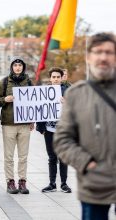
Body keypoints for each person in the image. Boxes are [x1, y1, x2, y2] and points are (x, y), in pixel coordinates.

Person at [53, 32, 116, 220]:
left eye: (109, 52)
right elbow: (62, 139)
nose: (103, 57)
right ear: (88, 57)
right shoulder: (76, 94)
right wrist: (87, 163)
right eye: (98, 52)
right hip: (93, 183)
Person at [0, 56, 34, 194]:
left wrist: (32, 120)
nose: (18, 67)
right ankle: (10, 181)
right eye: (15, 65)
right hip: (9, 123)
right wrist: (5, 99)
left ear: (23, 67)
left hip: (24, 124)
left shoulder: (29, 82)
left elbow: (33, 102)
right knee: (9, 156)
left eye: (20, 65)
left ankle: (22, 181)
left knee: (23, 156)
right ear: (12, 67)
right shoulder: (4, 82)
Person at [36, 67, 71, 193]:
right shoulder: (44, 91)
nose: (56, 79)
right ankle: (52, 183)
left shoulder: (68, 91)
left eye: (58, 77)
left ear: (62, 78)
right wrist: (41, 128)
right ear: (50, 78)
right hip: (49, 129)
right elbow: (38, 109)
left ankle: (63, 183)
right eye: (53, 77)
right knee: (52, 157)